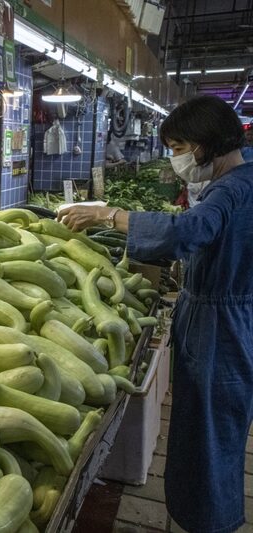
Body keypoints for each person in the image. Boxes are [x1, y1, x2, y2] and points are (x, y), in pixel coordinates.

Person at [57, 95, 253, 533]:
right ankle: (203, 516)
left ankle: (209, 521)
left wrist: (109, 214)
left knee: (209, 433)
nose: (176, 158)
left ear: (205, 144)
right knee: (210, 428)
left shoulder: (231, 190)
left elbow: (190, 230)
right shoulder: (242, 178)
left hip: (220, 327)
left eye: (179, 148)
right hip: (224, 317)